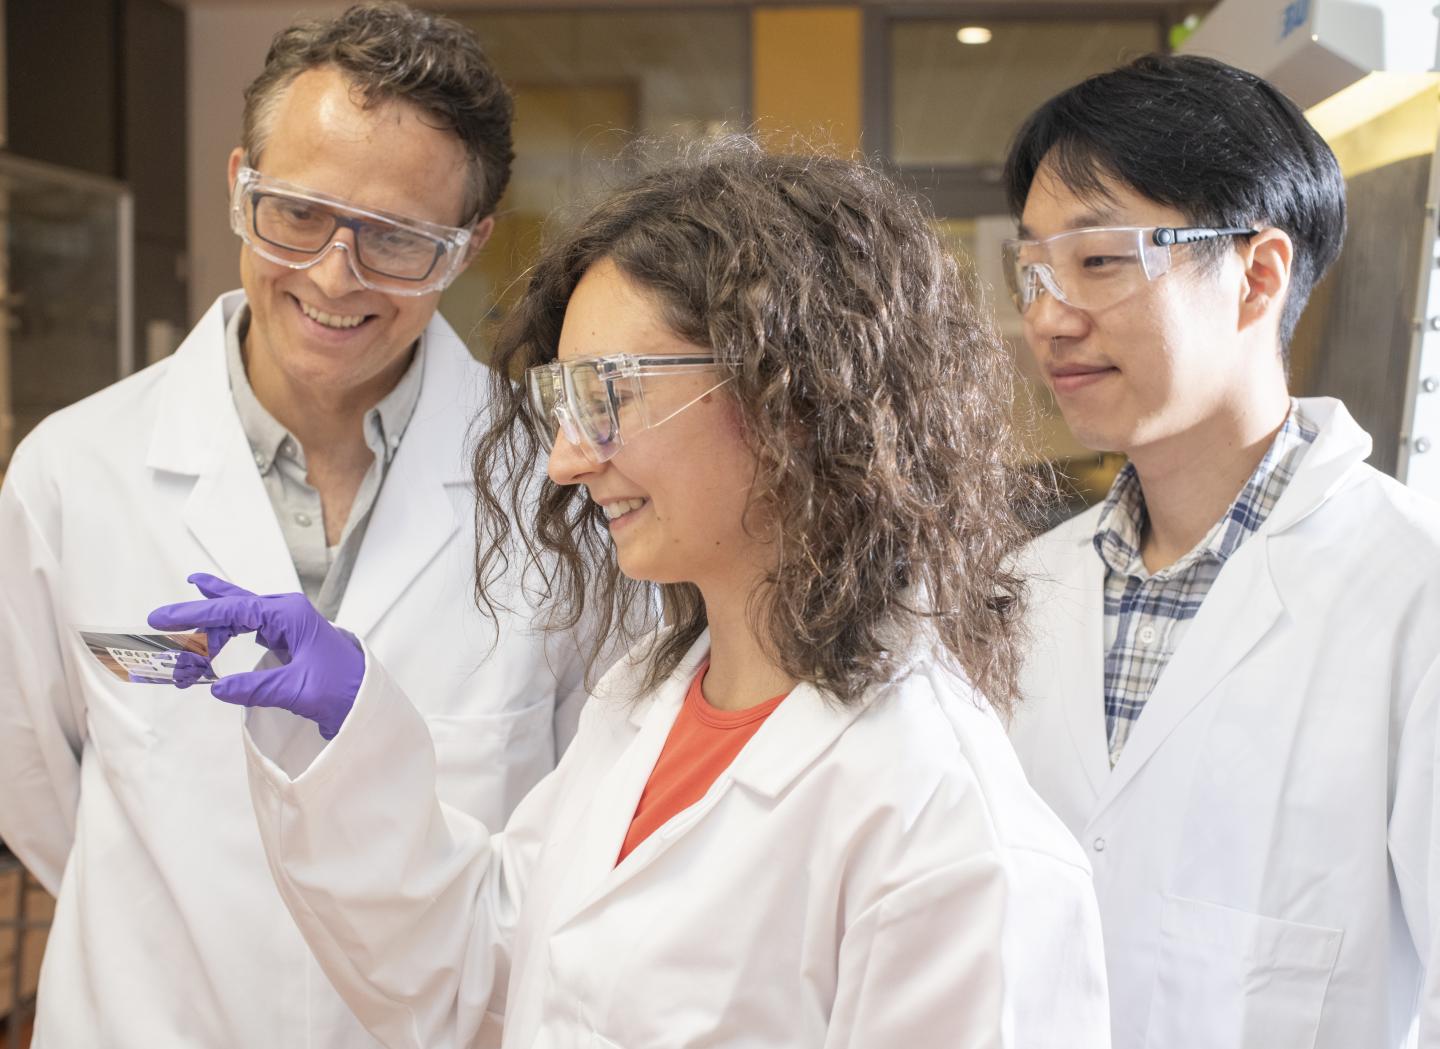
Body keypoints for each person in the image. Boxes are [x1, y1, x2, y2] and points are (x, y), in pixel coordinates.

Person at [148, 139, 1112, 1048]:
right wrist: (347, 732)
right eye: (565, 402)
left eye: (609, 394)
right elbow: (487, 964)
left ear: (793, 395)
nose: (566, 460)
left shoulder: (945, 831)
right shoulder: (645, 702)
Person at [0, 5, 591, 1046]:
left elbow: (588, 824)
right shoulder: (72, 471)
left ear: (467, 248)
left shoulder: (562, 494)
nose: (332, 274)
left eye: (397, 237)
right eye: (298, 214)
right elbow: (35, 789)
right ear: (242, 188)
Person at [1002, 53, 1440, 1049]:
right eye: (1032, 270)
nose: (1049, 316)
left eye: (1099, 260)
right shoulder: (1025, 587)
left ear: (1257, 275)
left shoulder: (1416, 594)